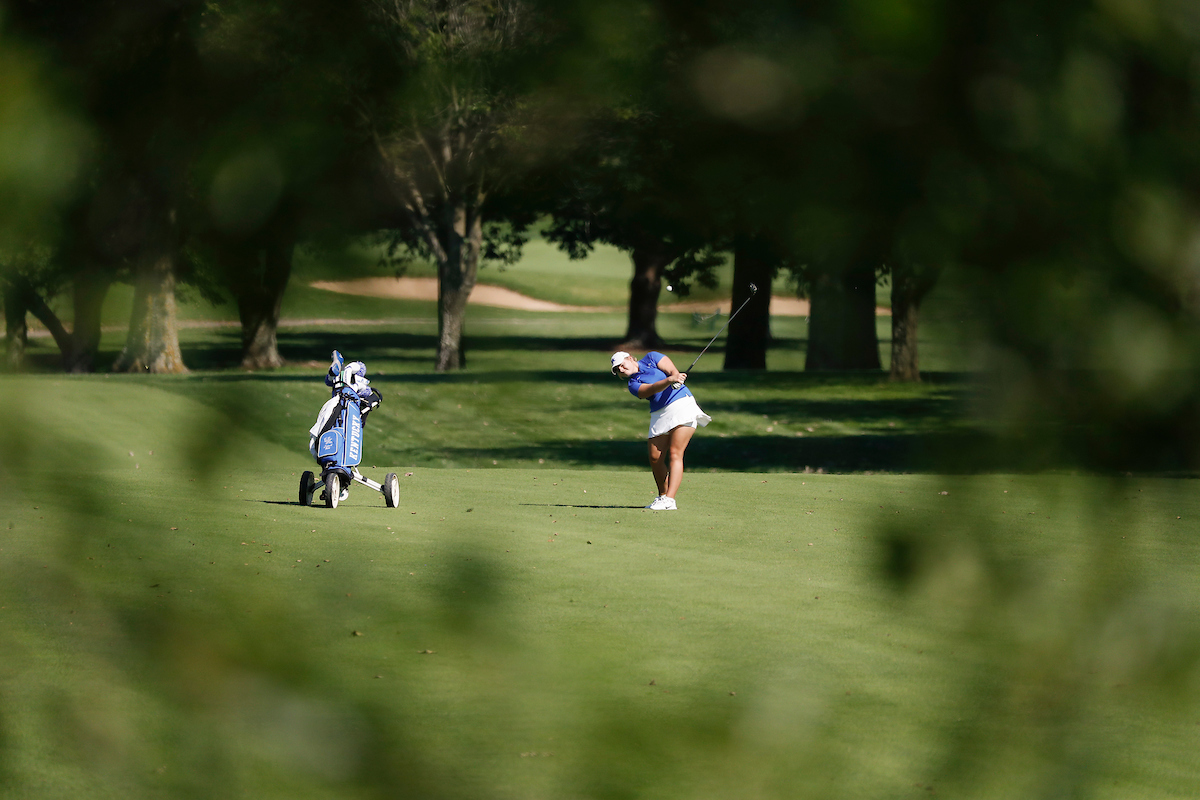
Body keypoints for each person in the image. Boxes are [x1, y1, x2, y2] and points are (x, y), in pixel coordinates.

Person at [610, 350, 712, 510]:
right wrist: (669, 380)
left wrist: (676, 376)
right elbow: (651, 389)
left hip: (681, 404)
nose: (621, 370)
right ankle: (662, 496)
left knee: (675, 453)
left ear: (630, 358)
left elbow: (671, 369)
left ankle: (670, 500)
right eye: (617, 370)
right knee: (655, 457)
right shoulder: (633, 385)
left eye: (622, 365)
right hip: (660, 413)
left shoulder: (652, 357)